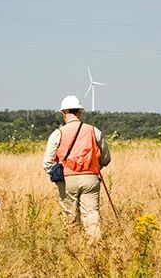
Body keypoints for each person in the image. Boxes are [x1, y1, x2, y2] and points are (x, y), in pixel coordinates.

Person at [43, 95, 111, 238]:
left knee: (69, 215)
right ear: (80, 112)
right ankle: (95, 246)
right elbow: (106, 158)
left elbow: (47, 163)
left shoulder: (58, 133)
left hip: (67, 180)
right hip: (91, 178)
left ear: (63, 113)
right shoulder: (94, 131)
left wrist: (57, 173)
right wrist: (95, 166)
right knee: (92, 213)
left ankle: (73, 247)